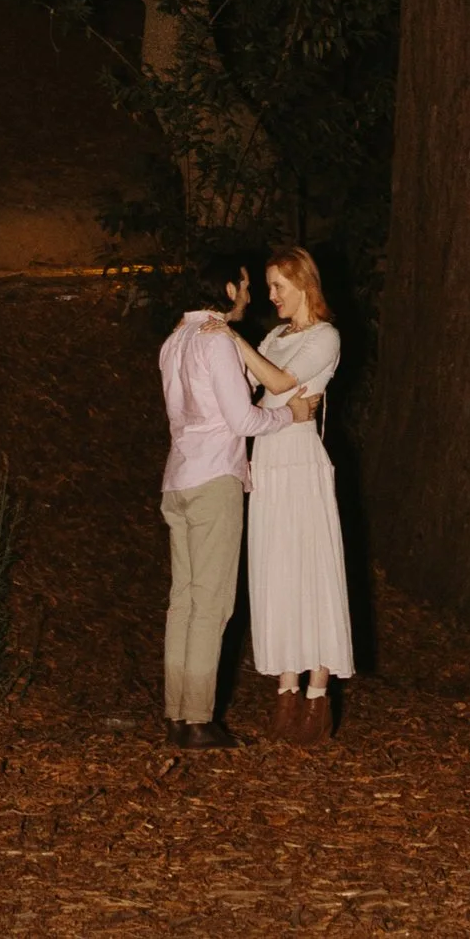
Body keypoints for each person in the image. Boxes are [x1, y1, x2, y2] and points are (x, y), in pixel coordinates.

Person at [215, 244, 352, 739]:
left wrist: (232, 339)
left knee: (310, 568)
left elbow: (276, 379)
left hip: (301, 461)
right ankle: (286, 690)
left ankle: (317, 693)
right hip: (269, 461)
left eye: (278, 286)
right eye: (269, 286)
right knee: (277, 571)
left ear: (304, 286)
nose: (271, 295)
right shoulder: (274, 335)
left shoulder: (325, 337)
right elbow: (246, 384)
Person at [155, 263, 265, 747]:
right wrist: (289, 414)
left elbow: (207, 406)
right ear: (227, 288)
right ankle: (198, 718)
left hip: (178, 478)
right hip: (213, 478)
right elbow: (242, 420)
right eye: (243, 285)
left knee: (184, 599)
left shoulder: (175, 339)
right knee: (212, 602)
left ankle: (177, 713)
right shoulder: (214, 339)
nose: (248, 293)